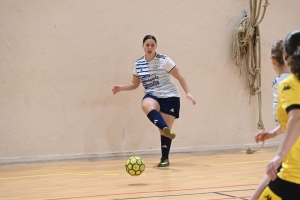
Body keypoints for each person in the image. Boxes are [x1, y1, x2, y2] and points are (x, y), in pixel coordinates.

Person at [112, 35, 196, 167]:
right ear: (143, 46)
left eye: (152, 45)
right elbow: (135, 84)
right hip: (153, 94)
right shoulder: (139, 64)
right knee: (146, 104)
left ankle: (164, 158)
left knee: (164, 132)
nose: (150, 47)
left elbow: (179, 75)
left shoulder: (164, 60)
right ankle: (163, 127)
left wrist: (188, 92)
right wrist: (121, 88)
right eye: (147, 44)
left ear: (156, 46)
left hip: (170, 96)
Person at [256, 30, 300, 199]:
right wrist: (274, 132)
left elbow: (296, 117)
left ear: (286, 55)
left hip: (294, 172)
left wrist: (279, 156)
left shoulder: (288, 84)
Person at [249, 39, 290, 200]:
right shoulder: (289, 84)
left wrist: (275, 136)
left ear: (273, 61)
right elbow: (293, 119)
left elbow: (293, 119)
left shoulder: (282, 84)